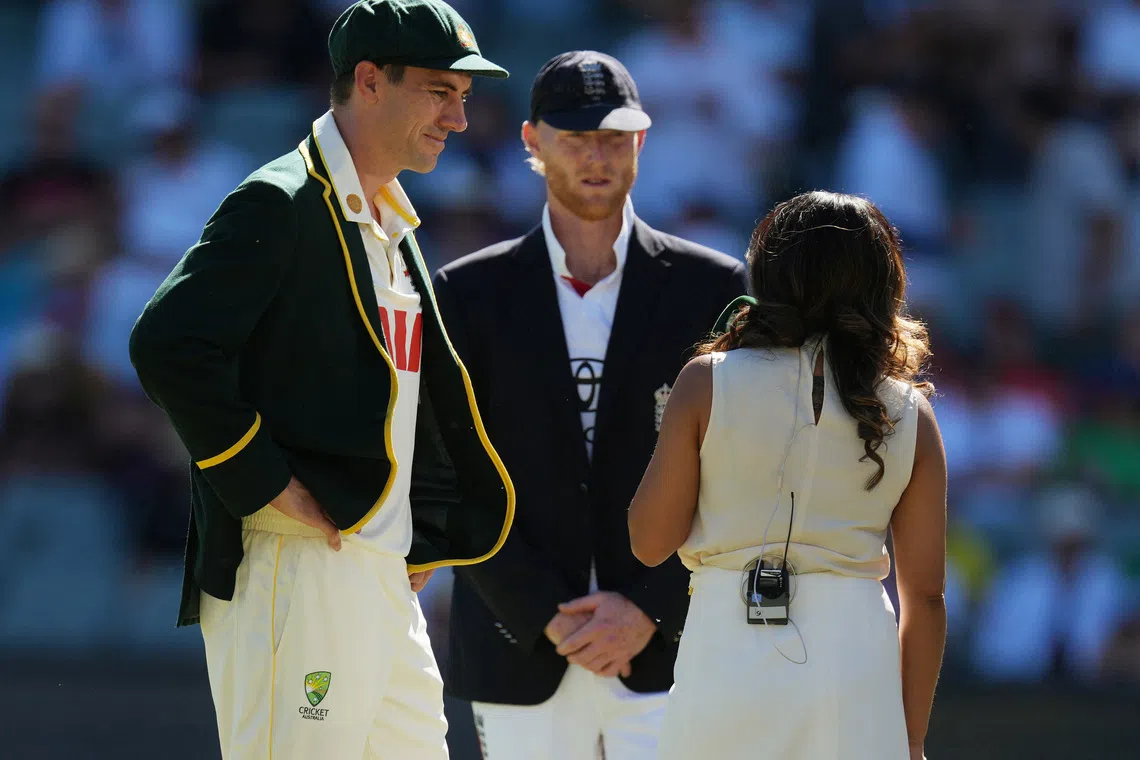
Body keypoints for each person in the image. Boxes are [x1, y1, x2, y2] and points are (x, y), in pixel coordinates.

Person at [127, 2, 514, 759]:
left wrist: (418, 530)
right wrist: (262, 481)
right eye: (442, 91)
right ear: (369, 80)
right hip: (298, 564)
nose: (460, 120)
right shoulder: (280, 200)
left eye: (464, 98)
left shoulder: (392, 220)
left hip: (379, 572)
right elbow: (167, 342)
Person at [432, 50, 749, 760]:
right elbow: (450, 479)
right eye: (575, 138)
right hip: (520, 650)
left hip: (674, 652)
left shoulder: (715, 287)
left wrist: (648, 608)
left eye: (613, 137)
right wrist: (545, 614)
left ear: (642, 140)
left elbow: (744, 472)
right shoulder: (466, 294)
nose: (596, 157)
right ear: (531, 143)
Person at [629, 191, 948, 760]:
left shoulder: (705, 381)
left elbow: (648, 542)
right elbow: (924, 597)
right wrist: (913, 740)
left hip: (726, 655)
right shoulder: (911, 412)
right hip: (856, 665)